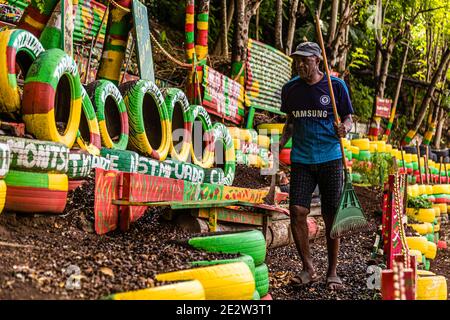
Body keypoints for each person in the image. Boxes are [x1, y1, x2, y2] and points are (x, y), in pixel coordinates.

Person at [277, 42, 354, 290]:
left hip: (330, 158)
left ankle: (333, 271)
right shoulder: (290, 89)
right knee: (297, 210)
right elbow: (289, 123)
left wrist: (345, 128)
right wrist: (275, 149)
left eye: (305, 60)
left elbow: (349, 118)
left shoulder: (335, 86)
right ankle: (308, 268)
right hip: (301, 159)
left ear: (317, 61)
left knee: (331, 214)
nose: (300, 64)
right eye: (297, 60)